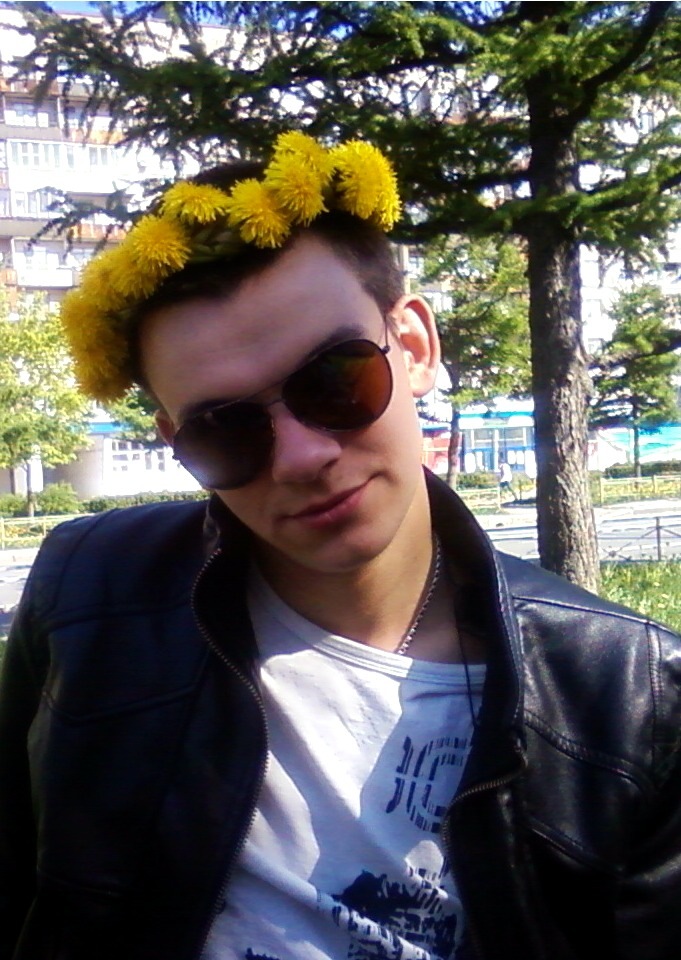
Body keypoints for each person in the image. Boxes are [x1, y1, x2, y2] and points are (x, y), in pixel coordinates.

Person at [1, 132, 680, 960]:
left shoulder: (628, 690)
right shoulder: (89, 591)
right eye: (226, 430)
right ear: (176, 443)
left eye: (334, 380)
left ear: (415, 347)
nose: (301, 457)